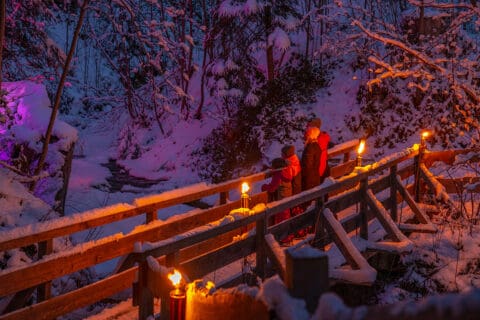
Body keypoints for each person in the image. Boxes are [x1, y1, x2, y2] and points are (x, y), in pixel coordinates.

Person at [261, 158, 292, 224]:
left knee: (281, 218)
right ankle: (287, 232)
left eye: (273, 166)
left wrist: (264, 187)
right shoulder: (286, 171)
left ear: (277, 167)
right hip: (287, 197)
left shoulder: (278, 174)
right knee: (286, 216)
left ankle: (281, 232)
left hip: (281, 198)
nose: (271, 168)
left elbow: (272, 188)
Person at [306, 118, 331, 184]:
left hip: (317, 170)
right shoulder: (323, 137)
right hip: (322, 167)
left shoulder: (317, 141)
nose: (307, 129)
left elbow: (313, 157)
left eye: (309, 127)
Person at [301, 126, 321, 191]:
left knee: (308, 194)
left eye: (307, 134)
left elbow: (307, 165)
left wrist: (302, 173)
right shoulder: (317, 145)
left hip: (309, 177)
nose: (305, 136)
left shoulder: (310, 148)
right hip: (315, 174)